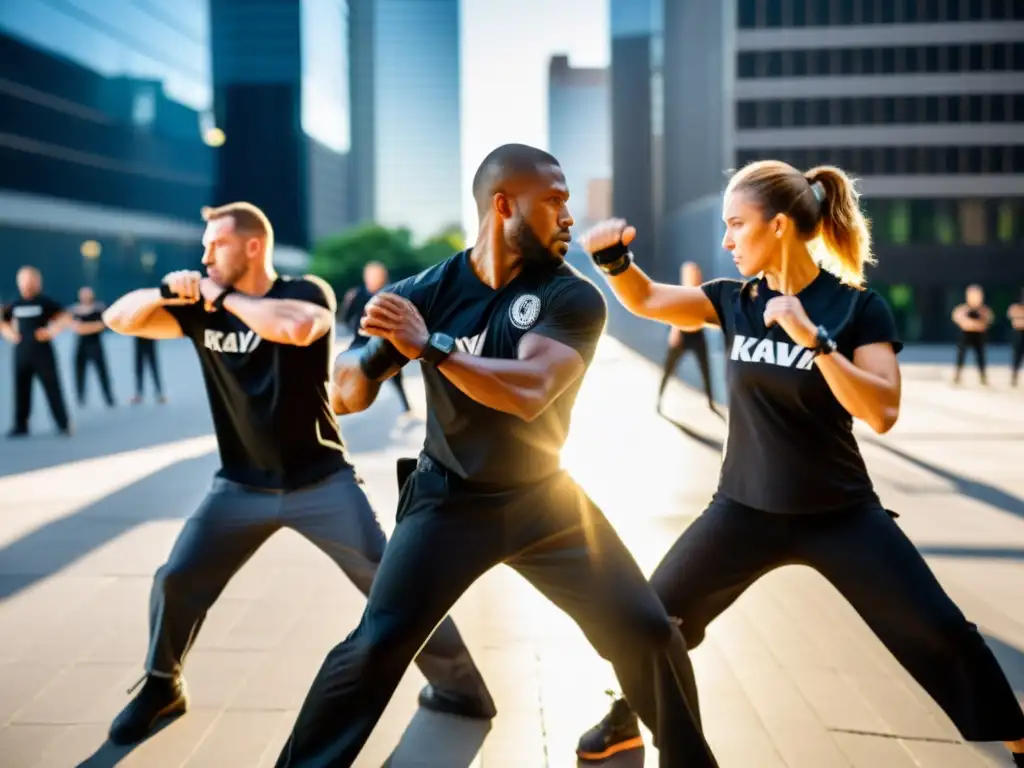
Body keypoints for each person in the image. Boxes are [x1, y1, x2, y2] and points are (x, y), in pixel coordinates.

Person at [274, 144, 717, 768]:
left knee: (647, 632)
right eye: (555, 201)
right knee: (375, 647)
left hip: (547, 501)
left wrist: (430, 346)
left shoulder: (573, 297)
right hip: (448, 499)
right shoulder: (425, 291)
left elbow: (530, 390)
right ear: (504, 204)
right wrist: (375, 352)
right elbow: (345, 395)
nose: (568, 217)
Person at [575, 160, 1024, 766]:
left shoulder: (856, 310)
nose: (727, 240)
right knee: (653, 619)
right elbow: (651, 300)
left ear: (780, 225)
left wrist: (816, 341)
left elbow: (882, 410)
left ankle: (1020, 740)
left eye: (738, 224)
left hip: (840, 514)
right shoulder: (736, 301)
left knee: (939, 632)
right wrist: (613, 263)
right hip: (744, 508)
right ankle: (624, 716)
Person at [101, 201, 494, 746]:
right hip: (239, 485)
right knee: (176, 578)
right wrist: (169, 290)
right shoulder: (202, 306)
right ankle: (161, 684)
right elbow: (117, 318)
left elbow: (296, 329)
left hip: (321, 480)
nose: (206, 254)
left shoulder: (305, 291)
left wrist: (219, 295)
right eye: (205, 247)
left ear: (252, 245)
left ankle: (460, 688)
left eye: (216, 244)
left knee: (394, 582)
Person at [1, 266, 72, 437]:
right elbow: (3, 321)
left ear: (38, 281)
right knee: (21, 390)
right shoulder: (15, 303)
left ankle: (63, 424)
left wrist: (51, 331)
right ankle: (21, 426)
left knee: (52, 387)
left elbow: (65, 317)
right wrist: (10, 334)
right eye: (24, 280)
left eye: (31, 279)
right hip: (21, 352)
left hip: (43, 353)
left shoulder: (45, 302)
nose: (28, 283)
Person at [340, 261, 412, 415]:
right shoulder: (356, 294)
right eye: (370, 274)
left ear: (384, 276)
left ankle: (406, 405)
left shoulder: (392, 293)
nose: (373, 278)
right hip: (361, 341)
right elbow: (346, 317)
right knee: (349, 368)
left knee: (395, 377)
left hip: (386, 342)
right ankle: (348, 405)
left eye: (377, 274)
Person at [656, 261, 717, 415]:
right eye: (691, 274)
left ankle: (710, 400)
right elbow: (675, 314)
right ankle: (659, 398)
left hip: (697, 335)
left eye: (696, 273)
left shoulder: (702, 291)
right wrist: (675, 333)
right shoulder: (681, 292)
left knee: (705, 368)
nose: (695, 276)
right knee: (668, 367)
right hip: (682, 335)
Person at [70, 286, 115, 407]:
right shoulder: (75, 309)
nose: (85, 297)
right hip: (81, 345)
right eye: (83, 295)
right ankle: (80, 398)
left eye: (87, 294)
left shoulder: (99, 308)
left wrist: (85, 327)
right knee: (79, 372)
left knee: (102, 372)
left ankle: (109, 398)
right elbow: (76, 328)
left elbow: (103, 325)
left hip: (96, 345)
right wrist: (92, 327)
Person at [951, 284, 993, 385]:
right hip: (965, 334)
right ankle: (958, 375)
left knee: (980, 356)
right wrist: (972, 324)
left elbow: (988, 320)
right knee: (961, 355)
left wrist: (973, 324)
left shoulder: (983, 310)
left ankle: (983, 376)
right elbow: (958, 318)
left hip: (979, 335)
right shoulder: (963, 309)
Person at [131, 336, 165, 404]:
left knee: (152, 366)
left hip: (147, 336)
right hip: (141, 336)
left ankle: (159, 393)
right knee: (141, 367)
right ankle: (139, 393)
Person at [1007, 290, 1024, 387]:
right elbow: (1014, 316)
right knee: (1017, 356)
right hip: (1018, 333)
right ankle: (1014, 377)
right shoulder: (1015, 307)